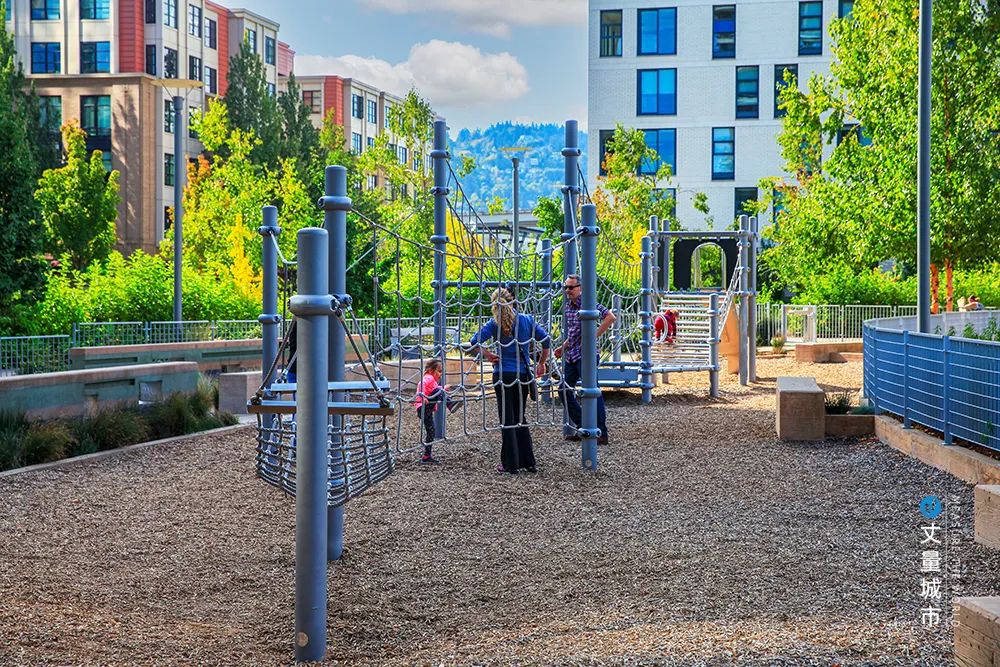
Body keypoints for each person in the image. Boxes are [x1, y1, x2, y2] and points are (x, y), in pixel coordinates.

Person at [469, 288, 551, 474]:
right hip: (522, 374)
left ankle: (510, 463)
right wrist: (541, 363)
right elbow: (546, 340)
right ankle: (528, 461)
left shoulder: (494, 324)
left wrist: (488, 354)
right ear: (513, 301)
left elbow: (474, 342)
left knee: (507, 419)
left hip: (503, 374)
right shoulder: (527, 320)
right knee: (520, 417)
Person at [554, 273, 616, 445]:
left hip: (586, 355)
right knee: (564, 390)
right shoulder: (568, 306)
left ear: (580, 288)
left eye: (571, 287)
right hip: (573, 355)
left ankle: (601, 432)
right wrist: (563, 347)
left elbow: (610, 317)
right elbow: (574, 333)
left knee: (592, 391)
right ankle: (584, 427)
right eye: (566, 287)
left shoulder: (588, 303)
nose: (568, 290)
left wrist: (592, 336)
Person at [413, 358, 455, 464]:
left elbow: (436, 389)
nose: (441, 374)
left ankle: (427, 456)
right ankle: (451, 404)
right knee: (439, 391)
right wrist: (422, 396)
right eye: (439, 371)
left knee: (431, 431)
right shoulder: (428, 377)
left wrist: (444, 388)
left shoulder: (433, 381)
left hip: (426, 409)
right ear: (431, 370)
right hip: (424, 406)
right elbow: (421, 385)